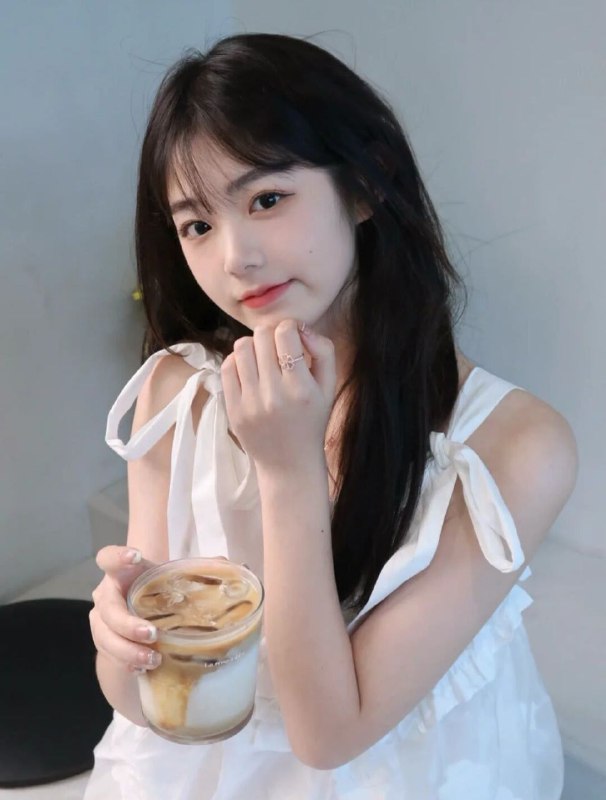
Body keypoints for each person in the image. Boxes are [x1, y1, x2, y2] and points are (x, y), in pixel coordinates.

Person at [85, 32, 578, 799]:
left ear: (365, 183)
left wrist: (288, 471)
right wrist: (120, 643)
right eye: (197, 225)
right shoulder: (178, 392)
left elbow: (327, 736)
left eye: (267, 200)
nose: (234, 258)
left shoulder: (515, 448)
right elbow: (144, 704)